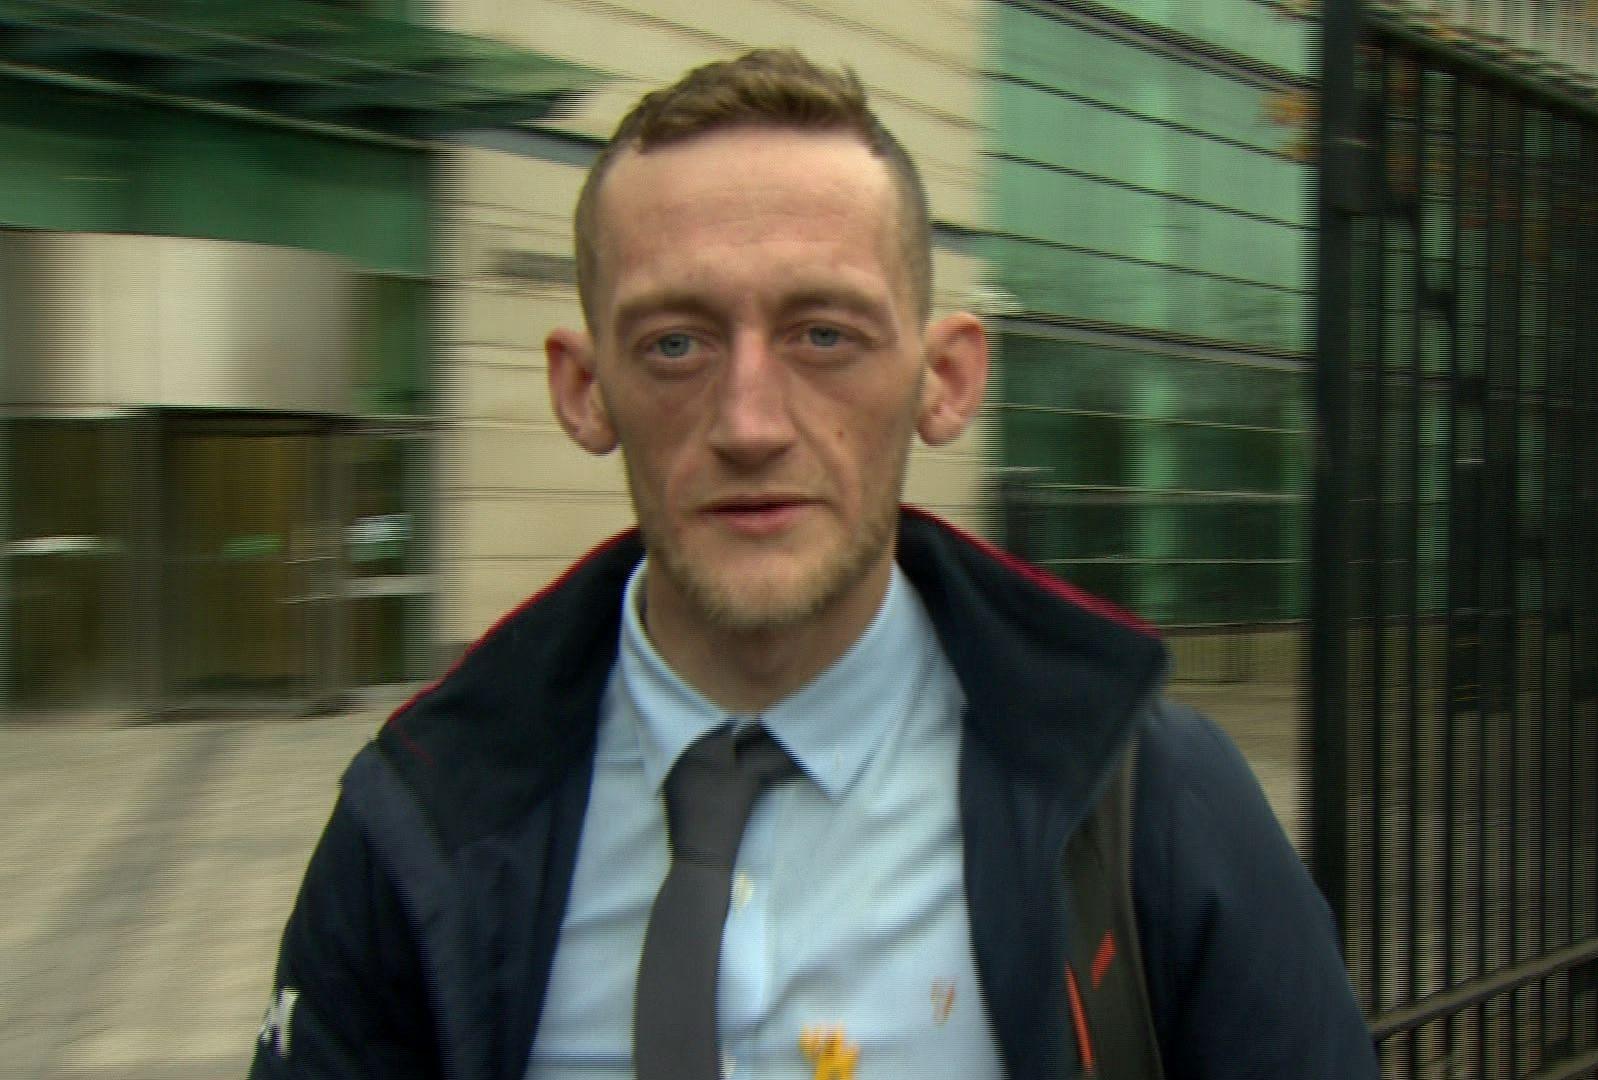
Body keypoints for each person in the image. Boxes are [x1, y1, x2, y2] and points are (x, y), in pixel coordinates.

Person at [249, 49, 1378, 1080]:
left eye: (824, 335)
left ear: (945, 380)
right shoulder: (415, 825)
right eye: (676, 344)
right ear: (584, 390)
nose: (749, 422)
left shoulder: (1149, 807)